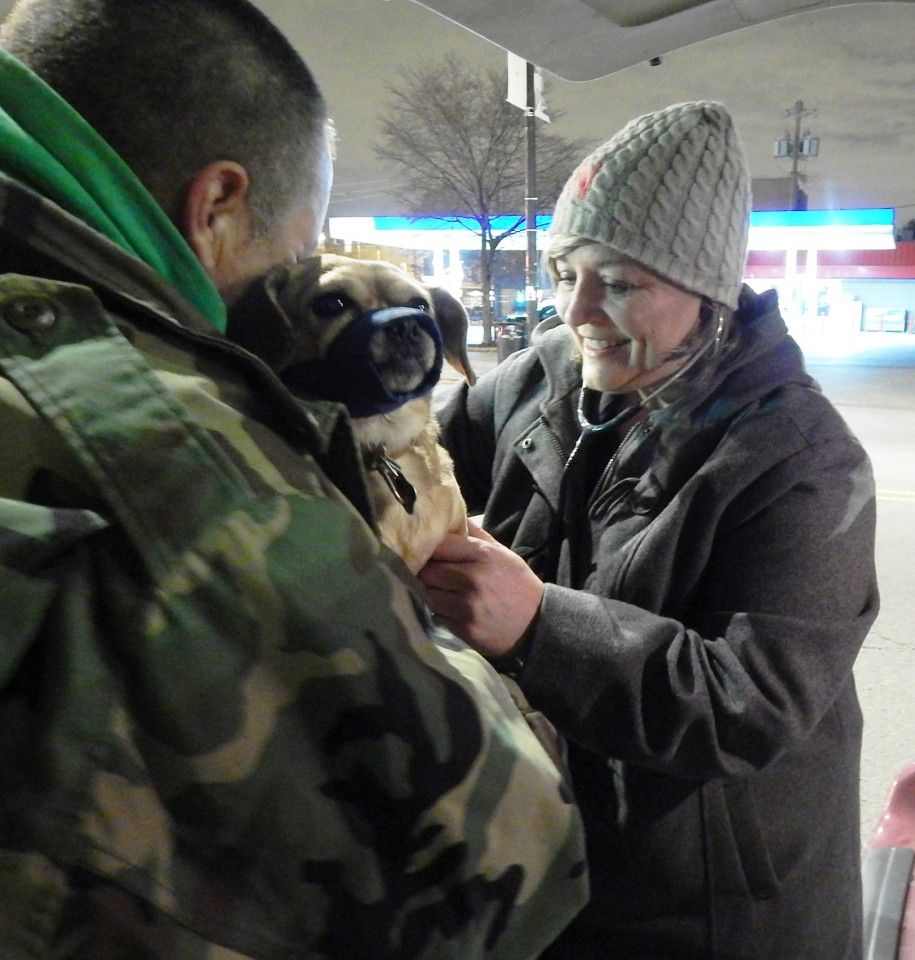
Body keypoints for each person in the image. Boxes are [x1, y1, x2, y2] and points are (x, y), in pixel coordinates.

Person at [0, 1, 586, 956]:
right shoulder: (172, 444)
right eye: (297, 253)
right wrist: (430, 625)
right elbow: (508, 863)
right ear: (217, 206)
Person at [426, 101, 879, 959]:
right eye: (564, 272)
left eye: (622, 283)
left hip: (707, 906)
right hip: (553, 854)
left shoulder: (802, 459)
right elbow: (424, 464)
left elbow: (749, 705)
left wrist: (538, 626)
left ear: (708, 291)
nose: (578, 311)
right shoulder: (546, 376)